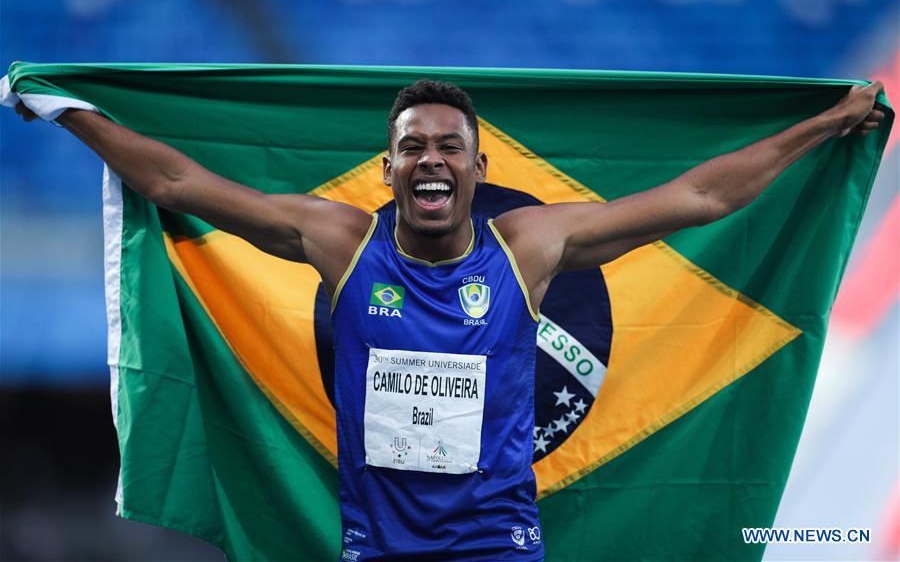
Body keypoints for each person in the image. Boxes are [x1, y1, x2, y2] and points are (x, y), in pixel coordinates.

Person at [15, 79, 885, 561]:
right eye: (413, 148)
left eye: (449, 147)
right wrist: (67, 111)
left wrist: (829, 124)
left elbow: (699, 196)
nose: (431, 159)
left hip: (494, 550)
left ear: (477, 165)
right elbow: (175, 186)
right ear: (389, 169)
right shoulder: (340, 243)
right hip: (376, 550)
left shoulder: (530, 247)